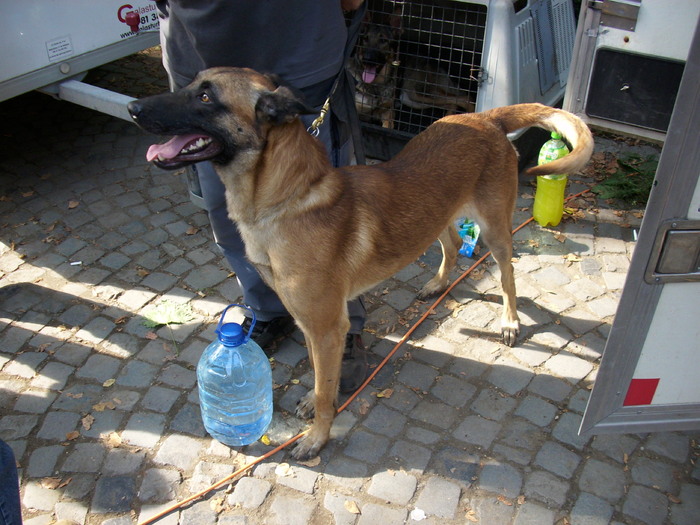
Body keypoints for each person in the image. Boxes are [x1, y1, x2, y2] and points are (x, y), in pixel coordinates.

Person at [153, 0, 369, 392]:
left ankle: (341, 324)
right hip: (199, 54)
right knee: (228, 211)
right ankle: (268, 306)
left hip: (299, 60)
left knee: (325, 216)